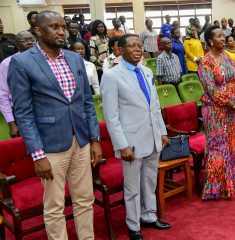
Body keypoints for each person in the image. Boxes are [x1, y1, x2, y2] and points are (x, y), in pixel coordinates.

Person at [8, 11, 101, 240]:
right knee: (54, 206)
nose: (61, 31)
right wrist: (37, 155)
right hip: (49, 146)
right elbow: (24, 112)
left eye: (62, 26)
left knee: (85, 200)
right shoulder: (21, 62)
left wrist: (94, 139)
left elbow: (86, 102)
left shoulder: (74, 58)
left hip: (80, 141)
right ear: (38, 31)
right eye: (53, 27)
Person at [101, 33, 171, 240]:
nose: (137, 49)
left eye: (139, 45)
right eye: (131, 46)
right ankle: (133, 225)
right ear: (120, 50)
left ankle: (149, 216)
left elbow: (155, 107)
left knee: (149, 181)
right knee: (132, 187)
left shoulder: (147, 71)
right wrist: (122, 145)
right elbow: (111, 116)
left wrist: (163, 132)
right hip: (130, 141)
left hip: (152, 137)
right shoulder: (112, 76)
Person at [198, 26, 235, 199]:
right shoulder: (205, 61)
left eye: (223, 36)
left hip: (232, 108)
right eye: (219, 36)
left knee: (232, 144)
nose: (223, 39)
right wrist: (230, 102)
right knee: (219, 146)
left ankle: (232, 182)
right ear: (210, 41)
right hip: (215, 111)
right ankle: (216, 187)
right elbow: (210, 90)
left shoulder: (226, 57)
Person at [0, 31, 35, 138]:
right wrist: (12, 123)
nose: (29, 43)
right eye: (24, 40)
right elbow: (3, 94)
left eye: (32, 39)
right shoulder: (7, 63)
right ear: (17, 45)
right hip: (21, 113)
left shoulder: (45, 60)